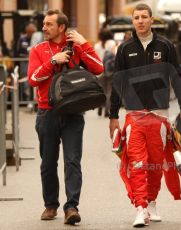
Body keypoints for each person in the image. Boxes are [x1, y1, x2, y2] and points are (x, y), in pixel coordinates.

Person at [108, 3, 181, 227]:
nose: (141, 21)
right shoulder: (125, 49)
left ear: (151, 20)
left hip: (159, 115)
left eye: (144, 17)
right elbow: (117, 84)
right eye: (136, 17)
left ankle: (152, 202)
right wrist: (112, 116)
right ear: (132, 21)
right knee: (137, 163)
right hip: (134, 115)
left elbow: (177, 79)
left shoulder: (165, 46)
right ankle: (140, 207)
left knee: (156, 164)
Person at [28, 9, 104, 225]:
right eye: (44, 23)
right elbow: (33, 79)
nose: (44, 27)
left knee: (73, 161)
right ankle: (50, 205)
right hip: (47, 112)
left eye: (49, 24)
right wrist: (53, 61)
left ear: (61, 27)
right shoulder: (38, 50)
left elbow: (99, 68)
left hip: (72, 111)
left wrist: (84, 43)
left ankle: (72, 207)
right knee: (48, 162)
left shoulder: (77, 47)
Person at [94, 28, 116, 117]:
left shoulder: (97, 45)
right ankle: (107, 110)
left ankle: (100, 106)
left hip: (99, 70)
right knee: (109, 90)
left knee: (102, 90)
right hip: (110, 70)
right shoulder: (112, 43)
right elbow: (115, 55)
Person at [16, 22, 37, 102]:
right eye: (30, 32)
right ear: (27, 31)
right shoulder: (22, 38)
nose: (31, 34)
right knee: (25, 81)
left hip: (34, 62)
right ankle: (26, 99)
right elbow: (17, 51)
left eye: (33, 32)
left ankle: (32, 100)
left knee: (33, 80)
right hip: (24, 62)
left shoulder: (36, 39)